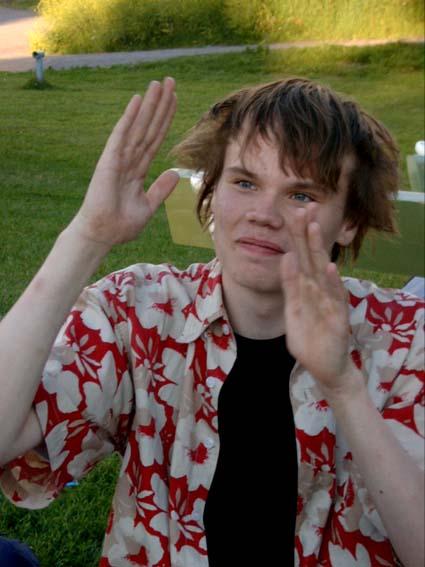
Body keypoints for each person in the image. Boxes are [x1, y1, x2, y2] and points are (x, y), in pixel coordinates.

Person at [0, 76, 423, 567]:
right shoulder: (143, 310)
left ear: (348, 220)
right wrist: (87, 236)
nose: (264, 214)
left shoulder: (405, 338)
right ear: (213, 191)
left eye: (301, 195)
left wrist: (344, 386)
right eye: (245, 183)